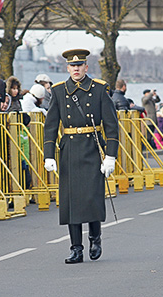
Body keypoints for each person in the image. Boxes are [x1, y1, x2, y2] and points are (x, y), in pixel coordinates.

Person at [43, 49, 119, 264]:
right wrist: (49, 155)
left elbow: (112, 127)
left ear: (86, 67)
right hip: (69, 150)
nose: (76, 69)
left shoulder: (99, 90)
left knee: (91, 198)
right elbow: (50, 127)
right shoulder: (58, 91)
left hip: (92, 149)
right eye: (72, 66)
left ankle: (95, 238)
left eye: (80, 65)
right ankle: (76, 248)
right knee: (71, 202)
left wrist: (110, 156)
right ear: (67, 68)